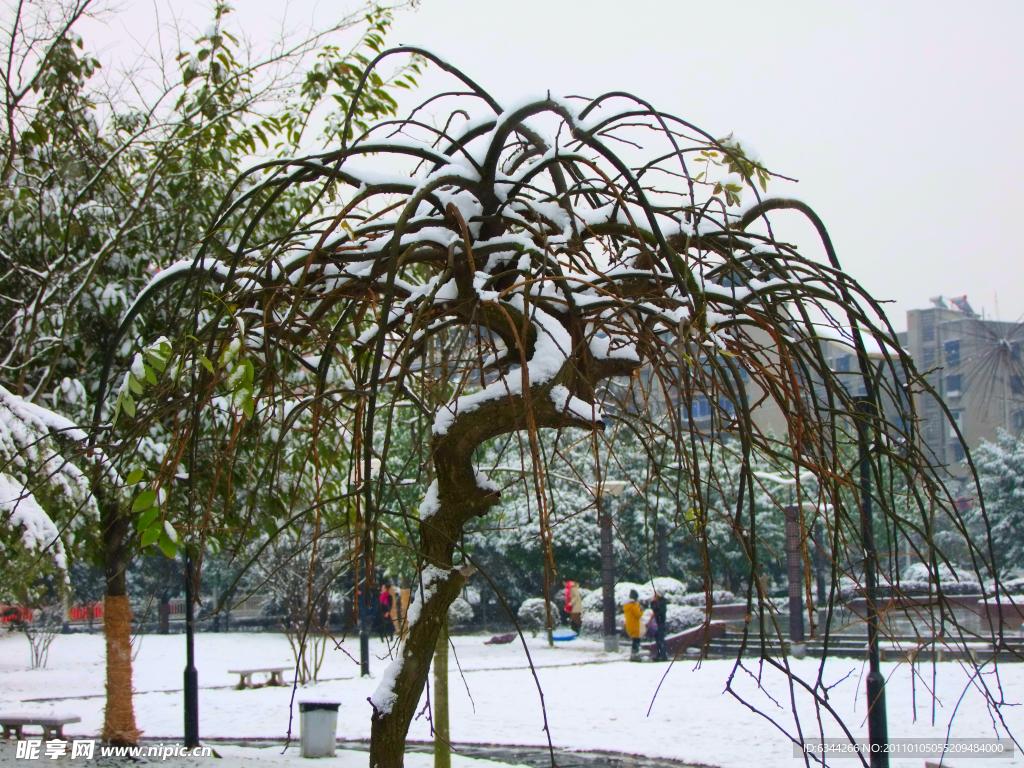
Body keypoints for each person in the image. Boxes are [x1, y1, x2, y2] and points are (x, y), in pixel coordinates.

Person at [622, 589, 644, 660]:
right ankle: (635, 655)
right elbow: (638, 615)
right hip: (635, 626)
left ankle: (633, 654)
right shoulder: (634, 606)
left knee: (634, 640)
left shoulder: (627, 605)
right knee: (636, 641)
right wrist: (641, 610)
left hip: (629, 625)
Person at [650, 591, 668, 661]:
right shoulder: (658, 602)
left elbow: (658, 612)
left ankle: (662, 654)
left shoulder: (661, 602)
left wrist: (654, 603)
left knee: (660, 639)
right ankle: (660, 653)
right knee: (658, 639)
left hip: (660, 622)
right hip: (658, 622)